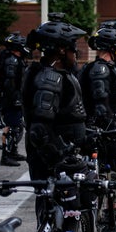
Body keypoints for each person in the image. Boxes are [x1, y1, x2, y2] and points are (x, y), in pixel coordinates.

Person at [23, 15, 88, 185]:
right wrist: (58, 155)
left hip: (67, 156)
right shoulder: (49, 78)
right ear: (61, 50)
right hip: (56, 164)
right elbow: (39, 129)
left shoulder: (60, 75)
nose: (75, 54)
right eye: (73, 49)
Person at [78, 27, 116, 129]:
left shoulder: (106, 66)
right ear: (112, 48)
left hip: (109, 119)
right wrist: (113, 126)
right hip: (101, 126)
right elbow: (101, 105)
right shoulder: (100, 69)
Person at [0, 33, 30, 166]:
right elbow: (10, 83)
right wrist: (15, 99)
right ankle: (6, 156)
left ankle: (13, 151)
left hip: (15, 99)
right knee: (10, 127)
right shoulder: (12, 61)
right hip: (11, 100)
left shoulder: (15, 59)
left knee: (16, 127)